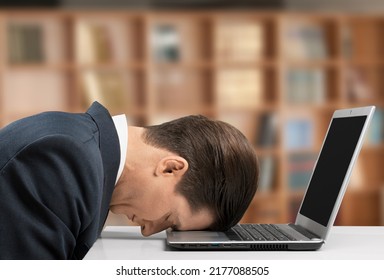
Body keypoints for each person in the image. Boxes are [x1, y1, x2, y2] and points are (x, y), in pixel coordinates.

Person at [0, 102, 259, 259]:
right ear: (171, 168)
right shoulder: (64, 159)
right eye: (168, 219)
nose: (147, 231)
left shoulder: (83, 150)